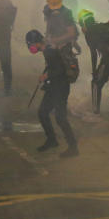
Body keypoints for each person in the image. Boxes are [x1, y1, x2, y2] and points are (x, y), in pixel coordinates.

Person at [26, 29, 79, 157]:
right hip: (53, 87)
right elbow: (54, 66)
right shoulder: (48, 49)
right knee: (42, 112)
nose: (31, 47)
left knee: (60, 118)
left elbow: (59, 70)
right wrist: (47, 74)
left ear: (36, 42)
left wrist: (46, 76)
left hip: (60, 88)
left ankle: (73, 147)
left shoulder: (49, 51)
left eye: (31, 44)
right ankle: (52, 140)